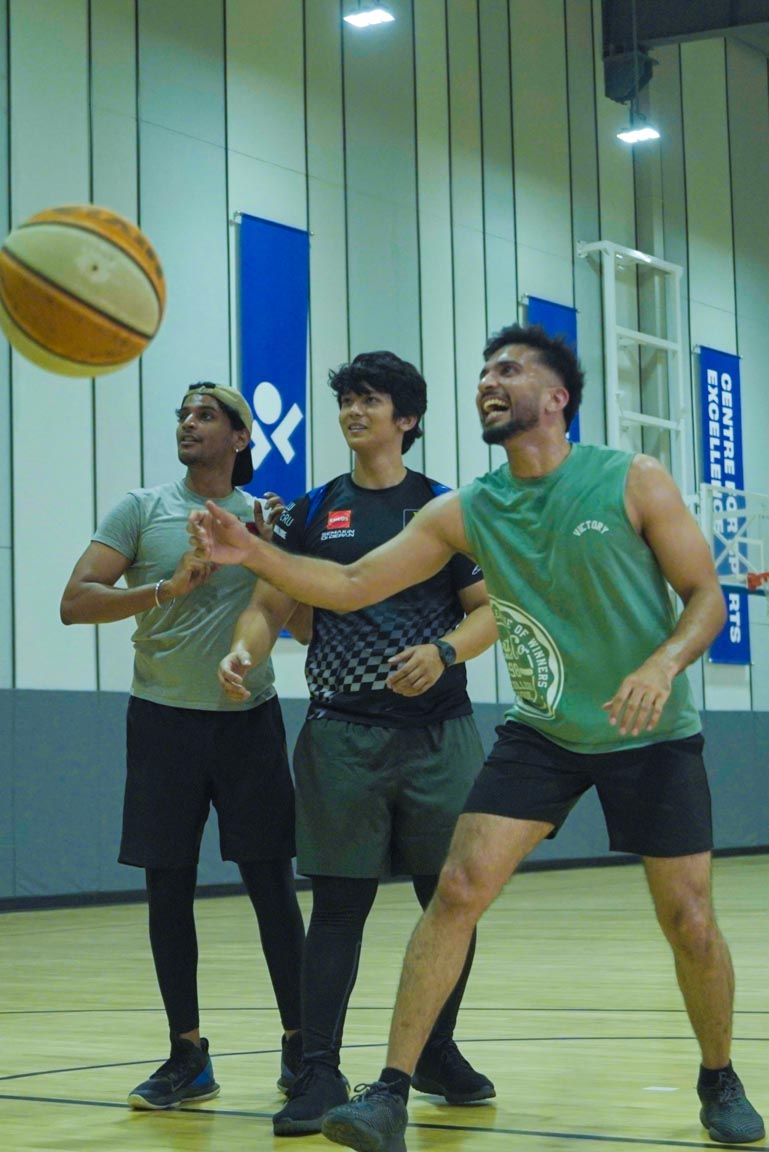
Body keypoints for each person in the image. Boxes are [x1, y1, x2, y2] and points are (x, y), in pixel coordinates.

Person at [190, 325, 768, 1150]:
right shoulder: (467, 509)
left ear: (557, 396)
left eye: (510, 370)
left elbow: (704, 595)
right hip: (543, 733)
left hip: (649, 729)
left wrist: (665, 663)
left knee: (689, 918)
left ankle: (719, 1076)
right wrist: (254, 551)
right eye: (484, 372)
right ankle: (389, 1091)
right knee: (457, 890)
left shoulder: (630, 479)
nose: (489, 382)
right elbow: (350, 585)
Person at [219, 352, 500, 1135]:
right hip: (342, 734)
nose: (352, 412)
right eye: (345, 400)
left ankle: (435, 1050)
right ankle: (318, 1071)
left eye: (369, 400)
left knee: (448, 901)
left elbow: (491, 612)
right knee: (339, 907)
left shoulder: (447, 508)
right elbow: (271, 602)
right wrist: (244, 649)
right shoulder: (314, 511)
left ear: (406, 419)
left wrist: (443, 653)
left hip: (439, 735)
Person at [58, 382, 305, 1110]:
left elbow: (295, 605)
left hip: (248, 720)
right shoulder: (141, 509)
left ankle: (302, 1047)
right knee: (167, 888)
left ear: (239, 437)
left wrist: (274, 556)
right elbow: (75, 603)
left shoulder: (266, 516)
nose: (189, 425)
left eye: (206, 416)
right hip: (162, 722)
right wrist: (164, 590)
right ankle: (187, 1055)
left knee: (271, 887)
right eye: (183, 416)